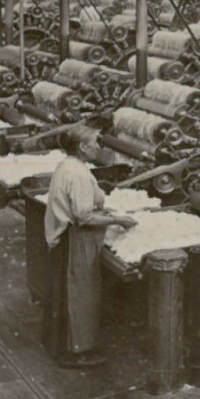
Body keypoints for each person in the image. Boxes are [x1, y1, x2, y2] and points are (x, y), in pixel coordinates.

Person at [43, 128, 136, 368]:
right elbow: (83, 217)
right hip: (76, 238)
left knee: (68, 292)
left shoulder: (67, 165)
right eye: (94, 142)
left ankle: (61, 346)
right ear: (82, 147)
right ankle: (77, 352)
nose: (98, 146)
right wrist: (118, 220)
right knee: (80, 294)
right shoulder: (78, 174)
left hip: (66, 236)